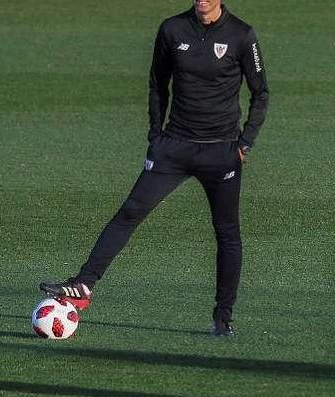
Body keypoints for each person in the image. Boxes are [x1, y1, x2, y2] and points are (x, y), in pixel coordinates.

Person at [40, 0, 269, 336]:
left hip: (221, 152)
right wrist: (155, 135)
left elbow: (261, 93)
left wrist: (245, 143)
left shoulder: (241, 35)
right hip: (172, 149)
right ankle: (84, 285)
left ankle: (223, 319)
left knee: (227, 233)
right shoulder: (172, 29)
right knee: (130, 212)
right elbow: (157, 85)